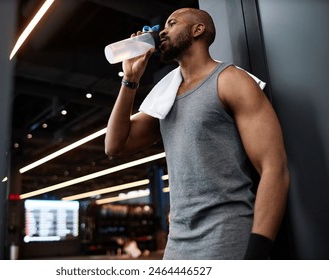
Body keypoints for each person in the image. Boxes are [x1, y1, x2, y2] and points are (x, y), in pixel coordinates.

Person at [104, 7, 289, 260]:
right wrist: (130, 78)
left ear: (197, 30)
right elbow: (115, 145)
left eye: (171, 24)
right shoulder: (166, 95)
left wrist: (257, 251)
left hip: (226, 236)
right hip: (178, 242)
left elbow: (274, 168)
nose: (162, 32)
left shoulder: (230, 81)